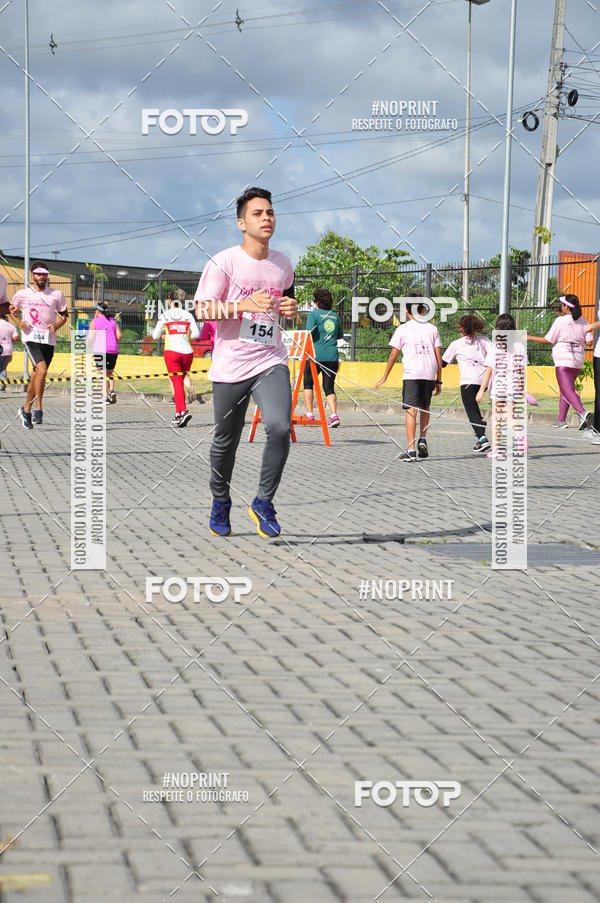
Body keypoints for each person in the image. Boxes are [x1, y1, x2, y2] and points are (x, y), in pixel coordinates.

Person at [194, 186, 298, 538]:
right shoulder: (223, 262)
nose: (266, 218)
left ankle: (263, 501)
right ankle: (220, 500)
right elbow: (203, 309)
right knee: (226, 441)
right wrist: (241, 305)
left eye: (269, 212)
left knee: (280, 427)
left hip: (270, 359)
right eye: (257, 213)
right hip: (231, 364)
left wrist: (291, 309)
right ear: (242, 223)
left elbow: (286, 305)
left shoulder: (283, 264)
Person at [375, 296, 442, 461]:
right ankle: (423, 438)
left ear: (406, 310)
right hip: (429, 372)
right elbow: (438, 356)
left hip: (412, 373)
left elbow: (393, 355)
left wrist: (384, 377)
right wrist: (438, 380)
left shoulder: (403, 329)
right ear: (423, 310)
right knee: (425, 406)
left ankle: (411, 450)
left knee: (411, 410)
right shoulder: (432, 328)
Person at [10, 261, 68, 428]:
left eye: (44, 273)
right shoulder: (22, 294)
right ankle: (39, 409)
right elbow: (12, 310)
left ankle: (25, 409)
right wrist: (18, 322)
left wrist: (56, 326)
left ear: (47, 275)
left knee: (38, 376)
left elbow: (64, 315)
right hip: (30, 339)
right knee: (41, 370)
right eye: (38, 273)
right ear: (33, 275)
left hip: (48, 340)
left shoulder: (56, 294)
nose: (41, 276)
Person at [527, 294, 592, 431]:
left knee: (567, 390)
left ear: (566, 307)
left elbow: (549, 340)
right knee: (565, 389)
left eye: (562, 304)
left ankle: (582, 412)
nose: (561, 306)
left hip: (563, 359)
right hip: (578, 360)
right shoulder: (584, 321)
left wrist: (530, 337)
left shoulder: (560, 321)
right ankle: (561, 420)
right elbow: (589, 342)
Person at [476, 313, 528, 457]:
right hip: (513, 386)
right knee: (511, 416)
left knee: (498, 419)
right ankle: (519, 434)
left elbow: (489, 370)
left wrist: (481, 390)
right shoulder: (519, 346)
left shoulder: (495, 347)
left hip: (498, 387)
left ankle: (497, 449)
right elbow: (521, 370)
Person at [442, 314, 492, 453]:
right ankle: (479, 428)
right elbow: (496, 353)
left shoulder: (456, 344)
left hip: (468, 382)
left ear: (462, 328)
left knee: (471, 411)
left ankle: (483, 439)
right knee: (474, 409)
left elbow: (444, 363)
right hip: (485, 381)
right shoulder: (484, 340)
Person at [152, 288, 200, 427]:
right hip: (187, 353)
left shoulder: (165, 315)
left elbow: (155, 335)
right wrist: (183, 336)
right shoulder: (188, 315)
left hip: (172, 353)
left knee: (177, 383)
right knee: (180, 380)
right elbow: (196, 334)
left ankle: (183, 411)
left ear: (169, 301)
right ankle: (178, 414)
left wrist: (169, 334)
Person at [303, 287, 344, 428]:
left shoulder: (313, 315)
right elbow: (339, 335)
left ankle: (309, 414)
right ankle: (334, 416)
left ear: (317, 302)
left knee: (308, 383)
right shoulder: (335, 316)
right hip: (332, 356)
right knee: (329, 387)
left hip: (316, 356)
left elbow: (308, 332)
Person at [88, 302, 121, 404]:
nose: (95, 312)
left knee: (102, 374)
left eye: (95, 310)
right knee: (110, 372)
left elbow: (90, 337)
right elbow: (119, 335)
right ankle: (111, 390)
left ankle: (105, 397)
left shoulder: (95, 321)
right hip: (113, 349)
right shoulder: (113, 321)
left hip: (100, 349)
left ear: (98, 311)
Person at [0, 299, 18, 392]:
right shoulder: (11, 326)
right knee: (3, 368)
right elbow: (15, 338)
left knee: (2, 369)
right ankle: (2, 384)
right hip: (8, 350)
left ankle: (2, 385)